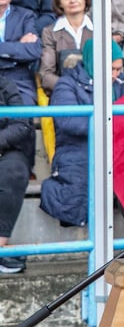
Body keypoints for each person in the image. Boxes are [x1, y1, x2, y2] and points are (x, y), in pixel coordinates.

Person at [40, 39, 124, 227]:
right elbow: (68, 121)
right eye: (111, 69)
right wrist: (110, 123)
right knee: (81, 175)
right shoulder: (67, 84)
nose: (115, 75)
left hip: (116, 147)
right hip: (77, 148)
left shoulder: (121, 82)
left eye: (118, 69)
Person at [0, 75, 33, 274]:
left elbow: (22, 124)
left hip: (4, 149)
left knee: (15, 172)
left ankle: (0, 248)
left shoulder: (5, 84)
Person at [39, 0, 93, 94]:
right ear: (59, 3)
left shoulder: (100, 29)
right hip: (64, 94)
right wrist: (72, 88)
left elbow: (113, 66)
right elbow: (46, 75)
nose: (72, 0)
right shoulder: (49, 32)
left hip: (97, 93)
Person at [0, 0, 41, 107]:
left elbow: (34, 51)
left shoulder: (25, 16)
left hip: (18, 80)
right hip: (15, 67)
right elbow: (24, 50)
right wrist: (17, 45)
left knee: (22, 120)